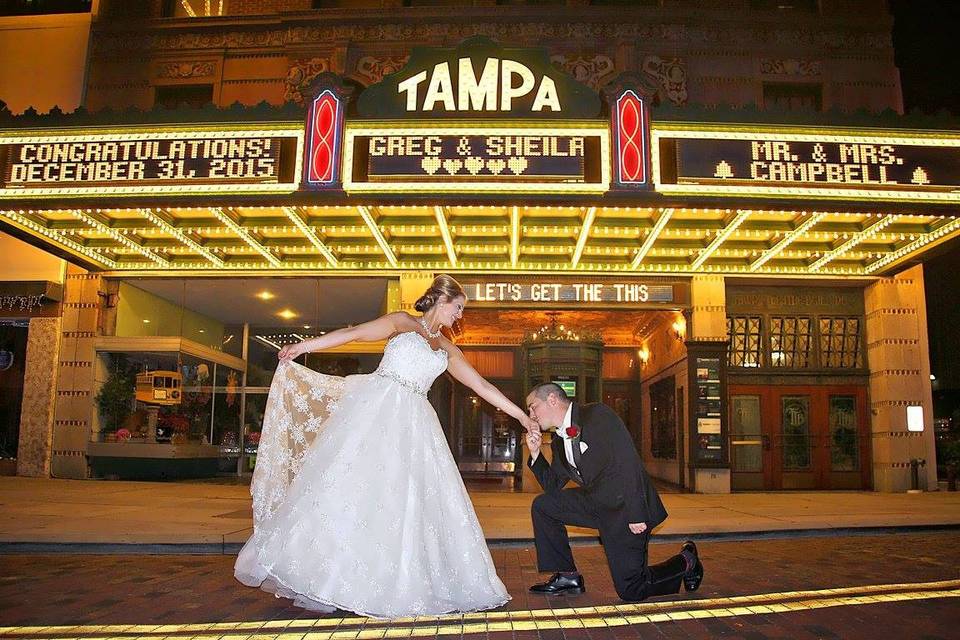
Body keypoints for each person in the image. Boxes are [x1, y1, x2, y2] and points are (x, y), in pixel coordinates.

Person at [235, 275, 537, 618]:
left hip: (416, 424)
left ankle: (389, 578)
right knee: (349, 492)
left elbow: (482, 386)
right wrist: (304, 347)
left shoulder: (447, 348)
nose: (459, 316)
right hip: (375, 410)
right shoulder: (401, 322)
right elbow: (353, 334)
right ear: (442, 300)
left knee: (400, 502)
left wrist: (523, 419)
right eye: (458, 308)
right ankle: (329, 574)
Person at [523, 382, 704, 601]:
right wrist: (535, 454)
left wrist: (636, 513)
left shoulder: (597, 415)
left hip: (625, 507)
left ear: (552, 399)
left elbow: (628, 462)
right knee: (544, 505)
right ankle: (567, 576)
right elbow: (552, 486)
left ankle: (686, 561)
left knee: (631, 590)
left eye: (532, 407)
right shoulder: (559, 442)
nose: (530, 415)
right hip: (595, 502)